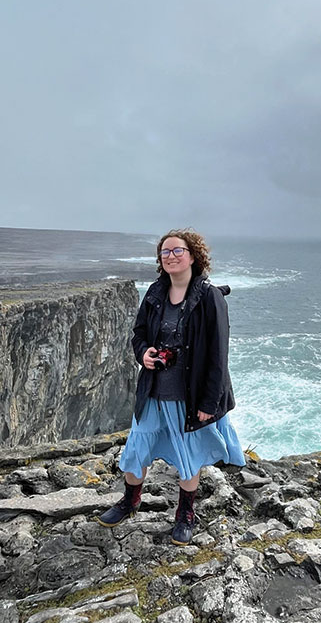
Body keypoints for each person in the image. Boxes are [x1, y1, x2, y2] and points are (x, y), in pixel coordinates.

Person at [98, 228, 245, 544]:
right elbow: (138, 334)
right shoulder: (154, 293)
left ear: (193, 256)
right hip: (152, 390)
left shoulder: (210, 297)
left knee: (186, 456)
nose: (171, 256)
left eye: (178, 250)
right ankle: (130, 500)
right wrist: (144, 354)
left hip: (187, 395)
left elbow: (219, 354)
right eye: (165, 252)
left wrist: (209, 402)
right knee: (136, 450)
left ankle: (186, 513)